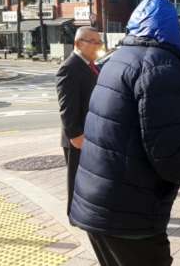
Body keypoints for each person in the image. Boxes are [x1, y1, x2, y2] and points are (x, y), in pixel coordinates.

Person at [69, 0, 180, 266]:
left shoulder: (127, 55)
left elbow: (143, 123)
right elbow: (171, 158)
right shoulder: (165, 70)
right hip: (129, 213)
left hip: (101, 201)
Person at [55, 26, 101, 219]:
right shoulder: (70, 67)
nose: (97, 47)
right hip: (78, 137)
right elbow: (67, 107)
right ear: (78, 43)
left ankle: (87, 211)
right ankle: (74, 215)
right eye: (93, 42)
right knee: (76, 178)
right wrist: (75, 134)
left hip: (91, 133)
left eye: (99, 42)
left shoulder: (91, 66)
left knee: (89, 177)